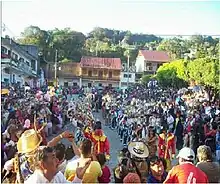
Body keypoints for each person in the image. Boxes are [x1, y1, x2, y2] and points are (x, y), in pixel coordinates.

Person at [24, 146, 90, 183]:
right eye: (53, 158)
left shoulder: (58, 176)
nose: (57, 160)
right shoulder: (33, 182)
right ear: (43, 164)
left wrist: (78, 177)